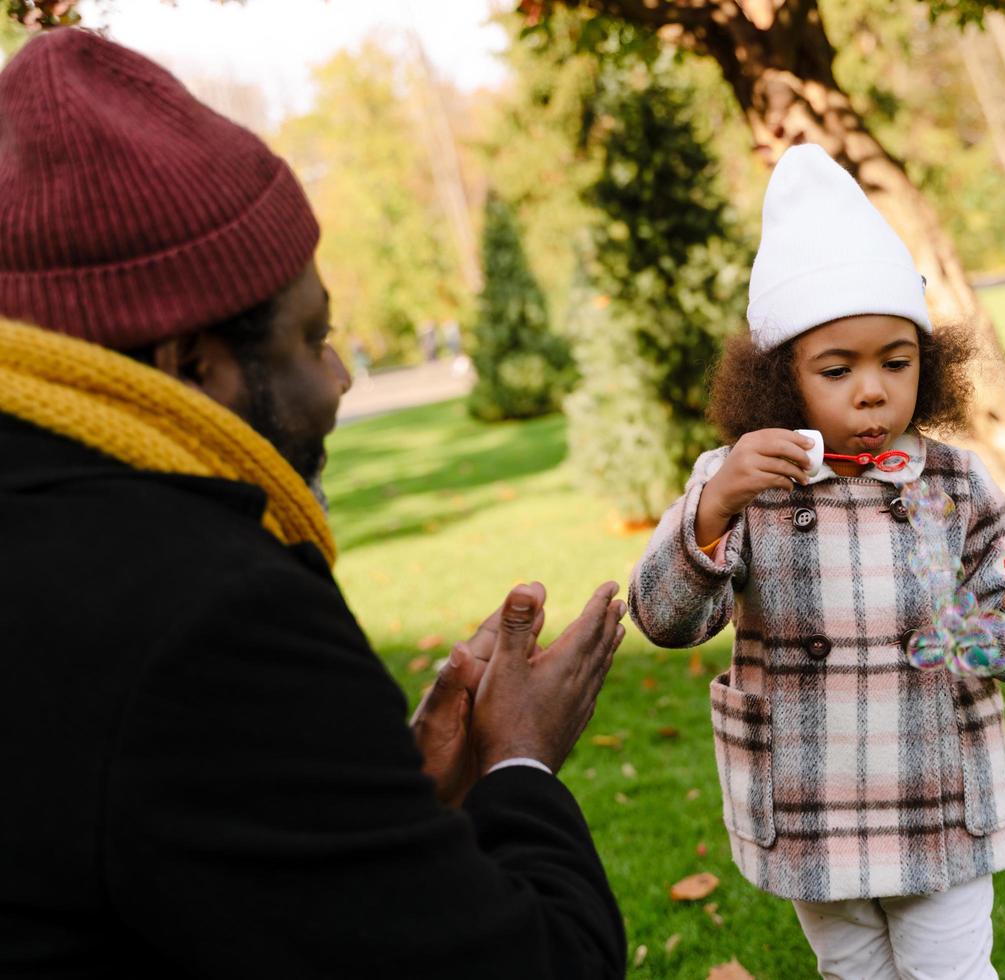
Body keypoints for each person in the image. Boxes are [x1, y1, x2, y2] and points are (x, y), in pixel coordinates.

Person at [0, 28, 627, 977]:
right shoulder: (215, 617)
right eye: (311, 337)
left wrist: (374, 799)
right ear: (192, 364)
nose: (336, 379)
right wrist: (520, 765)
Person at [627, 144, 1005, 979]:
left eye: (896, 361)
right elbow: (664, 620)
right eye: (837, 369)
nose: (872, 391)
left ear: (931, 362)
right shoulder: (737, 482)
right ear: (780, 379)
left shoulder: (954, 479)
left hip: (936, 800)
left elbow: (1004, 634)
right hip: (810, 805)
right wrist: (713, 509)